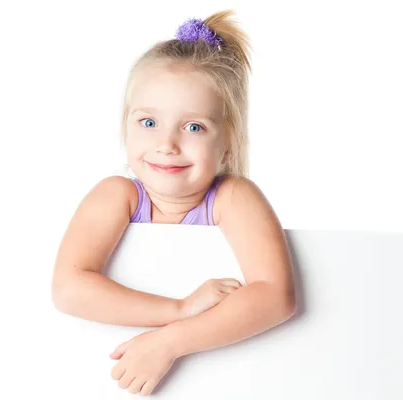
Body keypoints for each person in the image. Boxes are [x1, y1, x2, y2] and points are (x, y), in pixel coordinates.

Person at [51, 10, 296, 396]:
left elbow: (275, 296)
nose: (167, 144)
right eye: (148, 122)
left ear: (229, 146)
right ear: (125, 127)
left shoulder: (232, 198)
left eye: (194, 126)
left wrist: (168, 343)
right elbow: (69, 289)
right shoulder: (119, 195)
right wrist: (178, 310)